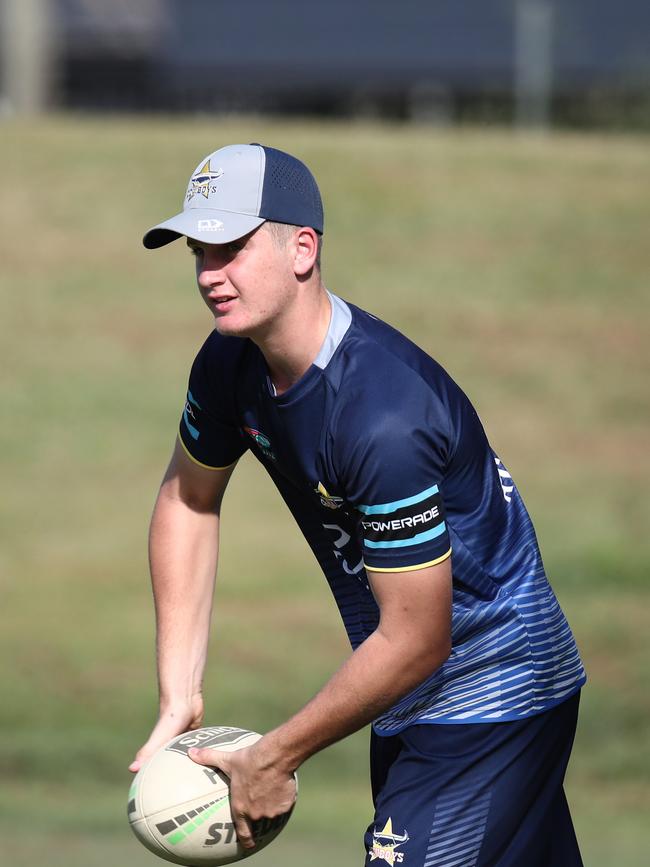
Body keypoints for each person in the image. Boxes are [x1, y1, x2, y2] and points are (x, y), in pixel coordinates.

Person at [129, 143, 586, 866]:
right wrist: (178, 694)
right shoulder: (228, 363)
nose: (209, 275)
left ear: (301, 248)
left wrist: (274, 755)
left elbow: (418, 637)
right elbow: (188, 500)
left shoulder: (381, 414)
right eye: (198, 252)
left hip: (496, 691)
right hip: (405, 691)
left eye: (231, 248)